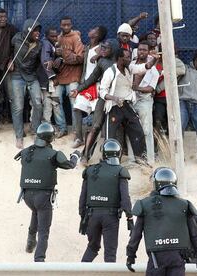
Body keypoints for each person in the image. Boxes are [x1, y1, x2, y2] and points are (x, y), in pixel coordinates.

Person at [15, 122, 80, 262]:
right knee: (44, 230)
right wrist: (75, 156)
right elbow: (69, 165)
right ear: (50, 138)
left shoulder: (26, 151)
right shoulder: (53, 154)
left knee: (35, 212)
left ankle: (30, 244)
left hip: (27, 196)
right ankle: (39, 259)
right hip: (43, 197)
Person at [126, 167, 197, 275]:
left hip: (156, 259)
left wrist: (130, 257)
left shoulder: (145, 205)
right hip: (178, 258)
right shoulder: (184, 205)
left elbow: (136, 235)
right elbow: (195, 236)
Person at [79, 139, 133, 262]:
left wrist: (83, 217)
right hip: (110, 217)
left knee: (92, 247)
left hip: (91, 215)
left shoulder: (90, 170)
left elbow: (82, 198)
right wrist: (129, 217)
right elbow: (125, 199)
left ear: (103, 153)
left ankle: (80, 272)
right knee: (110, 253)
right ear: (118, 154)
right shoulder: (120, 171)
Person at [100, 47, 158, 164]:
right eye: (127, 57)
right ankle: (108, 162)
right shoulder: (110, 72)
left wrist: (154, 60)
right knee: (110, 136)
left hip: (126, 105)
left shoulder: (129, 68)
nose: (130, 59)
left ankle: (141, 159)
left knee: (138, 131)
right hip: (114, 107)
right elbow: (102, 92)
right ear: (120, 59)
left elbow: (144, 67)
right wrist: (115, 98)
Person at [72, 39, 119, 165]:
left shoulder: (121, 60)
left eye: (105, 48)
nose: (101, 50)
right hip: (104, 97)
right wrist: (78, 89)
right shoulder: (102, 61)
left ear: (113, 50)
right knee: (96, 126)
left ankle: (112, 158)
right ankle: (85, 155)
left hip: (119, 99)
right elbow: (92, 78)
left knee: (113, 130)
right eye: (101, 47)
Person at [72, 25, 107, 148]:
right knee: (76, 108)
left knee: (98, 114)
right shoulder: (88, 47)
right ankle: (79, 138)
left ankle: (99, 140)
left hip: (96, 85)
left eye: (93, 29)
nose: (89, 30)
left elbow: (109, 54)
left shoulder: (102, 48)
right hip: (86, 84)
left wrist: (100, 55)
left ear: (97, 34)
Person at [11, 18, 43, 149]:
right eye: (35, 30)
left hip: (31, 76)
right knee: (18, 106)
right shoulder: (17, 38)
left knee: (38, 104)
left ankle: (34, 129)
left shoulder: (39, 45)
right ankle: (19, 135)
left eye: (39, 31)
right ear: (28, 30)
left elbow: (40, 62)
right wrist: (9, 60)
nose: (38, 33)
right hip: (17, 75)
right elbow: (7, 50)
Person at [0, 8, 18, 135]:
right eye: (0, 17)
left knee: (12, 96)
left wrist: (12, 60)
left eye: (5, 17)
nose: (3, 19)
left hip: (8, 65)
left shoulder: (12, 29)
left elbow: (16, 47)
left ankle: (17, 127)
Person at [54, 16, 85, 139]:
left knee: (74, 104)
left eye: (68, 25)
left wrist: (64, 55)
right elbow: (55, 57)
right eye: (64, 25)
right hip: (60, 75)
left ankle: (77, 132)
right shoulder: (58, 38)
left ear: (71, 25)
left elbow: (79, 58)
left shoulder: (76, 37)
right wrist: (61, 57)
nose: (66, 27)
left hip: (73, 76)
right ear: (60, 25)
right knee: (55, 101)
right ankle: (62, 128)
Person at [132, 40, 160, 164]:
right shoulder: (132, 64)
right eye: (139, 49)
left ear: (148, 52)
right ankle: (134, 159)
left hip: (145, 101)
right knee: (131, 129)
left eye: (144, 50)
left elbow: (150, 89)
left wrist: (137, 88)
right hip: (131, 99)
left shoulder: (153, 71)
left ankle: (150, 160)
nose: (141, 52)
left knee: (146, 130)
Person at [37, 27, 65, 132]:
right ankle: (48, 127)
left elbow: (52, 59)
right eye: (52, 36)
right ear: (46, 36)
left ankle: (49, 126)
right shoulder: (46, 44)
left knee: (51, 103)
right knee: (50, 103)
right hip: (46, 80)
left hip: (47, 81)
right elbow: (45, 60)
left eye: (55, 36)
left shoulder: (53, 45)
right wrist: (52, 78)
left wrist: (59, 58)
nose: (54, 38)